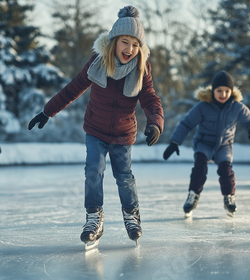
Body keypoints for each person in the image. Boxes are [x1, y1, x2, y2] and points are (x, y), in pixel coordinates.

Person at [28, 6, 163, 246]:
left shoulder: (143, 69)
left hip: (123, 134)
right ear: (113, 41)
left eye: (135, 45)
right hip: (96, 130)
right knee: (93, 171)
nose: (129, 50)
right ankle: (94, 217)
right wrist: (47, 111)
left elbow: (150, 98)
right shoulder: (97, 63)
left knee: (124, 177)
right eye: (124, 42)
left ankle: (131, 215)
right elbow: (72, 89)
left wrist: (155, 123)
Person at [163, 71, 250, 217]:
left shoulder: (237, 107)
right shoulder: (203, 106)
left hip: (224, 145)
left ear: (231, 91)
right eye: (219, 91)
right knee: (200, 167)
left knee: (226, 171)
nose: (223, 94)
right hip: (204, 143)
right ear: (212, 91)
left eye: (227, 91)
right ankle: (193, 195)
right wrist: (174, 142)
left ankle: (229, 198)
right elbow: (186, 123)